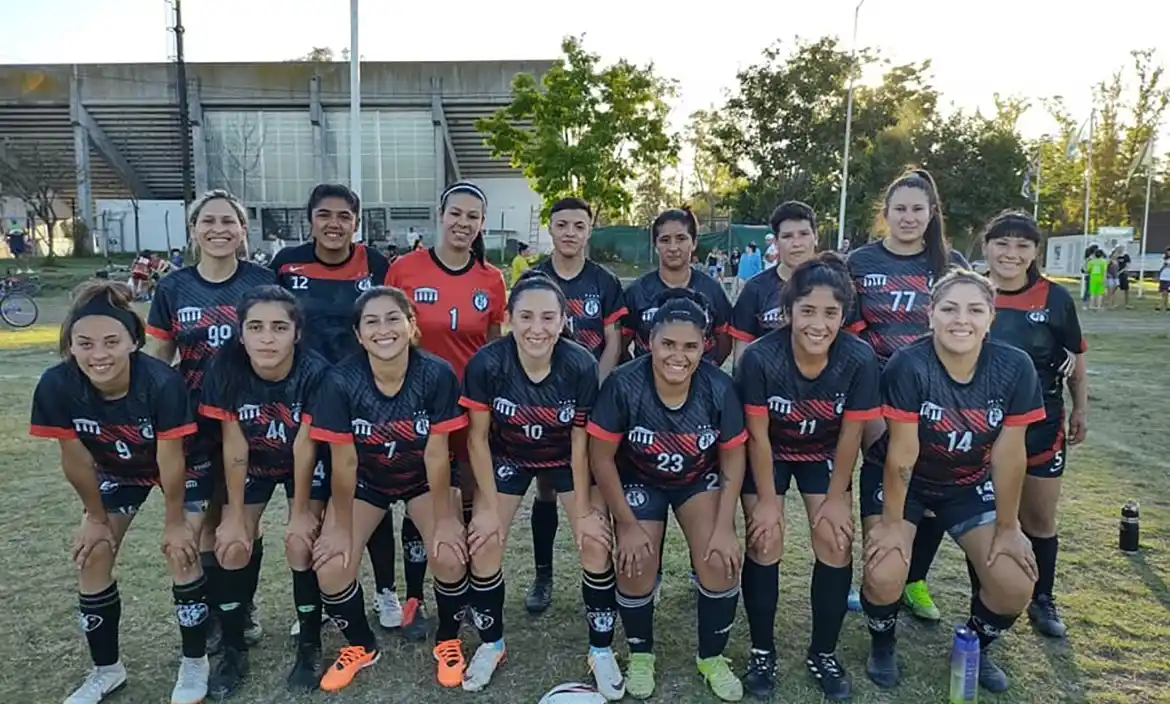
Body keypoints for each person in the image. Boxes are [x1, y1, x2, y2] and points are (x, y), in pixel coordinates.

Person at [858, 269, 1045, 694]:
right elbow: (902, 453)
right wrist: (890, 524)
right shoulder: (909, 364)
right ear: (931, 315)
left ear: (991, 318)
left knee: (1015, 583)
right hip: (907, 480)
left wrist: (1009, 527)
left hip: (967, 481)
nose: (962, 319)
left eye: (975, 309)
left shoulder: (1014, 366)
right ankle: (882, 643)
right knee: (886, 570)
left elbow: (1010, 453)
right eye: (949, 309)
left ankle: (974, 644)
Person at [31, 280, 212, 704]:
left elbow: (171, 458)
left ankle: (195, 661)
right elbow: (75, 457)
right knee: (93, 555)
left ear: (135, 340)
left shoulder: (161, 382)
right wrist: (95, 518)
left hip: (184, 464)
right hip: (117, 469)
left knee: (180, 550)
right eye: (85, 343)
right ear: (70, 346)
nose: (99, 354)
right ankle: (106, 670)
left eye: (112, 341)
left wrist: (174, 523)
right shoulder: (57, 385)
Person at [458, 271, 622, 696]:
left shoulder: (580, 363)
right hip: (508, 455)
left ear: (563, 321)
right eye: (526, 316)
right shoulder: (488, 363)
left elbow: (579, 439)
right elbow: (476, 437)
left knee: (595, 543)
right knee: (486, 541)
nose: (537, 328)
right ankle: (492, 644)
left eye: (548, 318)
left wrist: (585, 511)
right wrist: (489, 508)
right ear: (509, 317)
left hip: (563, 457)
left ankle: (600, 650)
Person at [269, 184, 418, 637]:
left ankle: (386, 591)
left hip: (367, 395)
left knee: (370, 494)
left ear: (357, 221)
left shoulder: (375, 264)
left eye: (343, 216)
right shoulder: (285, 264)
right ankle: (313, 604)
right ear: (309, 219)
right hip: (310, 396)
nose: (333, 223)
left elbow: (390, 318)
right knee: (317, 501)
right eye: (324, 215)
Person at [306, 286, 471, 693]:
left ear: (412, 325)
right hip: (367, 481)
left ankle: (448, 640)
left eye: (393, 318)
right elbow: (343, 463)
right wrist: (340, 526)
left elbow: (437, 456)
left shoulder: (436, 373)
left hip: (420, 479)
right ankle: (361, 646)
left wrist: (447, 519)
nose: (384, 329)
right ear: (359, 334)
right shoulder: (340, 380)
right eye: (371, 322)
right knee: (331, 564)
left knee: (449, 553)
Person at [588, 290, 748, 702]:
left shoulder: (719, 387)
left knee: (720, 558)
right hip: (639, 479)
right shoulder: (624, 384)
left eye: (691, 346)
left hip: (696, 479)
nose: (679, 355)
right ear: (648, 343)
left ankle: (711, 657)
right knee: (635, 561)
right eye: (668, 344)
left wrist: (726, 526)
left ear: (705, 347)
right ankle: (641, 654)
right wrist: (625, 524)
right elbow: (602, 459)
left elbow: (732, 461)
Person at [733, 253, 880, 700]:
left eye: (831, 313)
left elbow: (852, 434)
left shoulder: (858, 357)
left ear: (844, 315)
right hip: (771, 451)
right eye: (808, 310)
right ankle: (762, 651)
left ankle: (823, 652)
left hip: (823, 452)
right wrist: (768, 502)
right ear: (789, 310)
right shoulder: (760, 358)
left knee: (835, 539)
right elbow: (757, 437)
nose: (819, 323)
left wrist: (837, 498)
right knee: (764, 537)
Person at [147, 190, 276, 660]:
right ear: (194, 228)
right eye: (209, 221)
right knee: (203, 518)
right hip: (195, 417)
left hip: (251, 417)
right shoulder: (173, 287)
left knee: (243, 516)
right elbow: (159, 359)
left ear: (243, 231)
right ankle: (215, 612)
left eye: (229, 222)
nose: (219, 229)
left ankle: (243, 606)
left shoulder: (263, 281)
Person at [197, 286, 332, 696]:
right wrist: (235, 513)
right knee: (232, 543)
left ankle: (310, 644)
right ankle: (234, 649)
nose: (267, 337)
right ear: (240, 334)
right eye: (255, 327)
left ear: (297, 333)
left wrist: (303, 510)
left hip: (302, 462)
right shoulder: (225, 367)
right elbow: (232, 443)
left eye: (278, 327)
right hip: (252, 461)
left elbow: (306, 444)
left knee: (299, 540)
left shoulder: (315, 370)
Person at [847, 168, 969, 622]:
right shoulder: (860, 261)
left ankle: (915, 578)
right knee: (882, 477)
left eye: (917, 208)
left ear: (931, 213)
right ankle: (877, 578)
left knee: (933, 480)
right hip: (878, 394)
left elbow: (964, 326)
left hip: (937, 395)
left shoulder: (947, 263)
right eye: (899, 208)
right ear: (886, 213)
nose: (908, 217)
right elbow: (852, 329)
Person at [385, 181, 507, 561]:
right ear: (440, 215)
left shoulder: (492, 279)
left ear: (482, 223)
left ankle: (470, 579)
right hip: (417, 402)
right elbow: (385, 332)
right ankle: (416, 595)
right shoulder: (404, 269)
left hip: (470, 404)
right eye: (455, 213)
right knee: (422, 492)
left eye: (473, 216)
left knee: (469, 493)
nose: (462, 222)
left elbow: (492, 347)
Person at [980, 211, 1088, 638]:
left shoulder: (1054, 299)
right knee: (988, 520)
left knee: (1039, 518)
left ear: (1035, 252)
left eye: (1022, 245)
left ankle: (1043, 599)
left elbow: (1077, 356)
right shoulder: (970, 292)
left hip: (1042, 428)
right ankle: (989, 598)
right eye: (1002, 243)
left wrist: (1081, 408)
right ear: (986, 246)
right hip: (982, 430)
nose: (1011, 253)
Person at [529, 197, 626, 614]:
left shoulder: (604, 281)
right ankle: (543, 574)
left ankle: (606, 574)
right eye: (562, 224)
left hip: (595, 398)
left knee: (599, 483)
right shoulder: (533, 278)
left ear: (590, 230)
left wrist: (596, 384)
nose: (570, 232)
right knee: (549, 485)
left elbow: (614, 341)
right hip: (547, 401)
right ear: (549, 228)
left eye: (579, 225)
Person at [622, 208, 733, 365]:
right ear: (655, 245)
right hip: (648, 383)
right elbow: (621, 344)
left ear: (694, 243)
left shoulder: (712, 290)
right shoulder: (636, 292)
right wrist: (640, 372)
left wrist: (707, 371)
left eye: (681, 238)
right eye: (665, 240)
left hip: (699, 382)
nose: (673, 248)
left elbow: (724, 342)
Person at [729, 201, 818, 365]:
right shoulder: (755, 289)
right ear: (775, 243)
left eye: (804, 234)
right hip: (768, 386)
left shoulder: (836, 285)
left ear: (816, 237)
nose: (796, 243)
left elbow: (850, 348)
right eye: (787, 236)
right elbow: (741, 358)